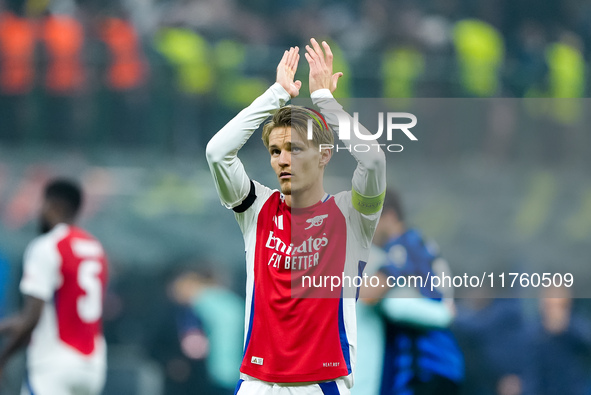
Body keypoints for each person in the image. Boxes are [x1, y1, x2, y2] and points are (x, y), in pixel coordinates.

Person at [206, 38, 386, 394]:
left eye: (295, 149)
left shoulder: (351, 216)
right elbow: (218, 153)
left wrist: (324, 100)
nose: (282, 160)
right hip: (256, 382)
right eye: (275, 151)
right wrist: (277, 94)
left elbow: (374, 160)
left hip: (318, 383)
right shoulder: (257, 208)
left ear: (324, 155)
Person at [0, 179, 108, 395]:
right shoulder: (95, 247)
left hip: (53, 366)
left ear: (52, 205)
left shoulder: (46, 246)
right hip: (92, 367)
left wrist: (4, 358)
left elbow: (32, 319)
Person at [360, 189, 464, 395]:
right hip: (434, 365)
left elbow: (367, 293)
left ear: (389, 216)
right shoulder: (416, 243)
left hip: (430, 363)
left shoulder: (403, 246)